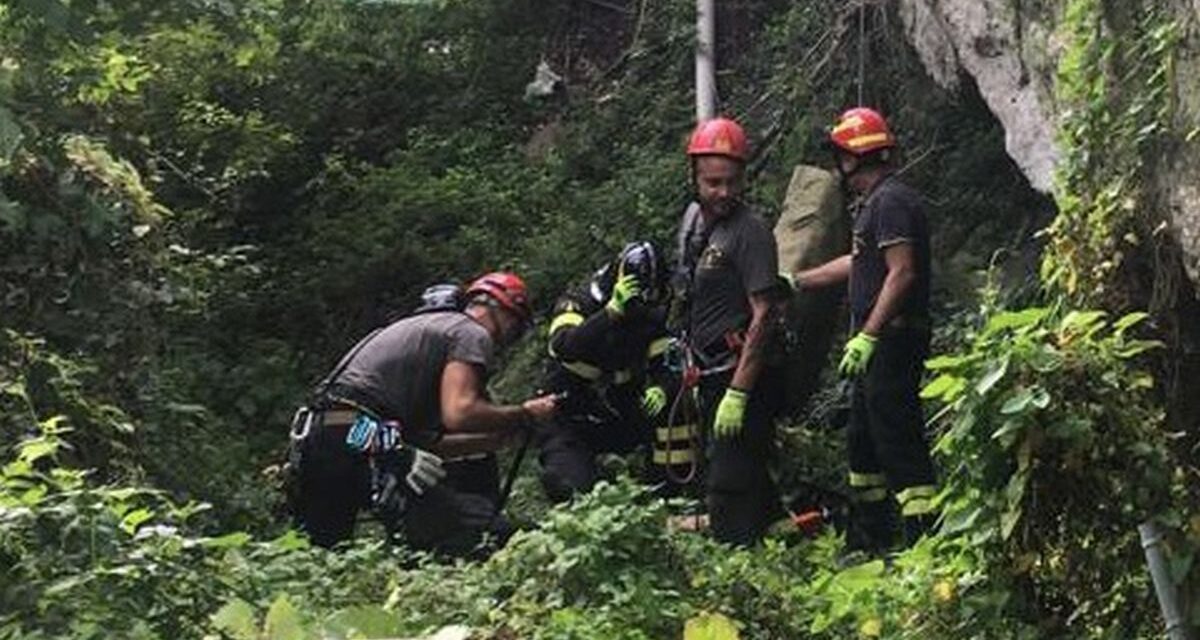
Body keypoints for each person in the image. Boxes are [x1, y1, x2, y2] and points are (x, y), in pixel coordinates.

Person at [289, 272, 558, 556]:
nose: (510, 338)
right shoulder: (470, 332)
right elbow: (460, 412)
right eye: (515, 326)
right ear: (501, 310)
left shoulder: (414, 332)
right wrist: (524, 413)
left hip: (327, 431)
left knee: (319, 551)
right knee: (472, 530)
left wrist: (492, 441)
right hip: (360, 430)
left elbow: (424, 444)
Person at [787, 107, 937, 552]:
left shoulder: (891, 202)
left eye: (840, 155)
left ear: (852, 156)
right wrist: (797, 281)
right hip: (878, 344)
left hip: (892, 341)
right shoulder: (875, 204)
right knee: (863, 444)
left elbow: (902, 272)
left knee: (897, 440)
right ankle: (872, 541)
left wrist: (870, 335)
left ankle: (924, 546)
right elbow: (858, 264)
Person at [674, 116, 788, 546]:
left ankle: (736, 559)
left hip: (743, 374)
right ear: (694, 177)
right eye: (713, 183)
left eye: (732, 182)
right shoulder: (696, 224)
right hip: (709, 371)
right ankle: (782, 535)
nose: (723, 192)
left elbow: (765, 313)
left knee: (728, 484)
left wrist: (739, 392)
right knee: (741, 473)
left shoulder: (749, 232)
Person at [538, 241, 681, 502]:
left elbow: (668, 363)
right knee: (570, 488)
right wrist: (610, 313)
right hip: (569, 414)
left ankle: (668, 497)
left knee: (676, 412)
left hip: (618, 411)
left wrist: (663, 387)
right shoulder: (578, 302)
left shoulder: (651, 311)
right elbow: (564, 346)